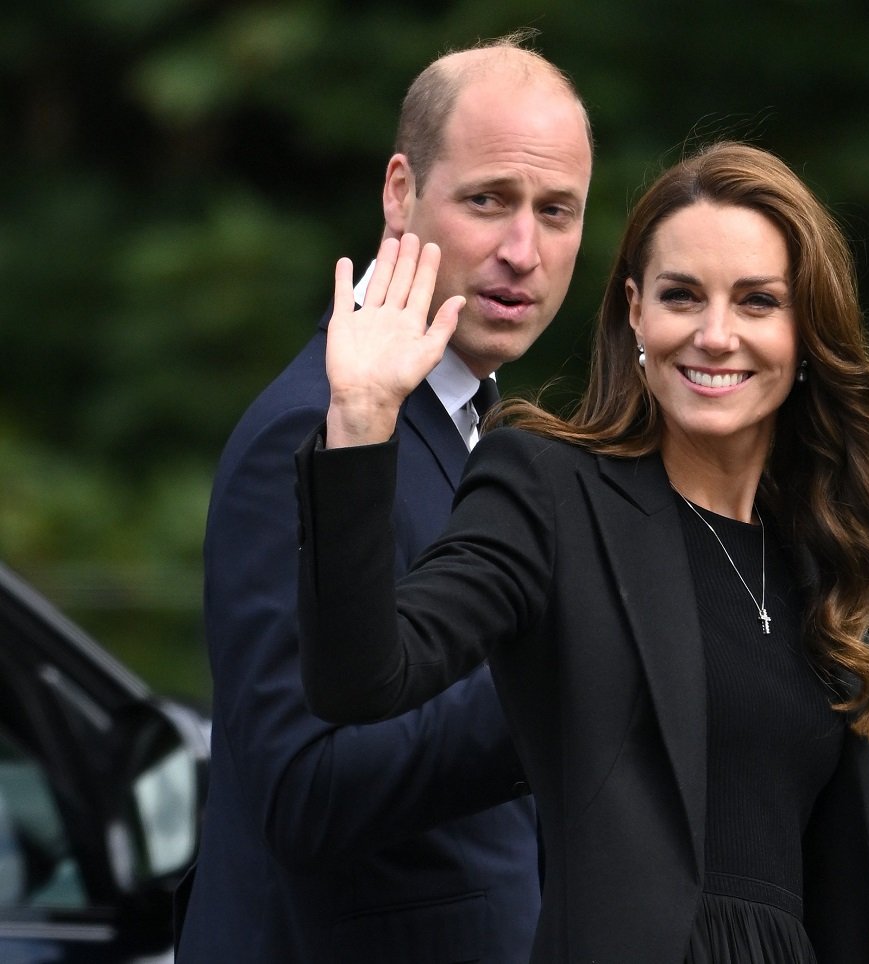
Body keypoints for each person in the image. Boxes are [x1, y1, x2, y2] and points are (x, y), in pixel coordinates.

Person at [294, 141, 869, 963]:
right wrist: (361, 422)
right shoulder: (551, 490)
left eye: (757, 302)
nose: (715, 335)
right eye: (682, 296)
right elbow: (363, 676)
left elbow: (832, 914)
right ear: (634, 314)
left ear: (805, 333)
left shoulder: (821, 571)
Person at [175, 34, 593, 964]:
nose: (524, 251)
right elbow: (304, 790)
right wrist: (566, 680)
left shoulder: (487, 429)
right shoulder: (311, 431)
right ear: (400, 190)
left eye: (557, 211)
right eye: (489, 200)